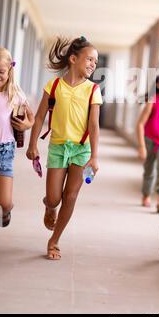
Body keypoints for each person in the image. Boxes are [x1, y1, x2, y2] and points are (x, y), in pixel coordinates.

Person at [26, 36, 102, 260]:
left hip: (81, 150)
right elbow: (40, 116)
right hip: (58, 147)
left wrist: (94, 157)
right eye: (89, 59)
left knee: (71, 196)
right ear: (73, 59)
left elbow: (94, 126)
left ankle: (54, 240)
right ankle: (49, 207)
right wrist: (32, 145)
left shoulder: (93, 89)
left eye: (95, 62)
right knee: (54, 198)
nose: (92, 64)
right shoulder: (54, 85)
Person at [0, 47, 34, 227]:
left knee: (4, 203)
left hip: (5, 151)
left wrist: (26, 125)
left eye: (1, 71)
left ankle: (6, 209)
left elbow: (31, 118)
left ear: (9, 70)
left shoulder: (16, 94)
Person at [136, 74, 159, 213]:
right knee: (149, 169)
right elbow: (140, 124)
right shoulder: (152, 101)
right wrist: (141, 147)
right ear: (158, 85)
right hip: (149, 140)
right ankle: (146, 195)